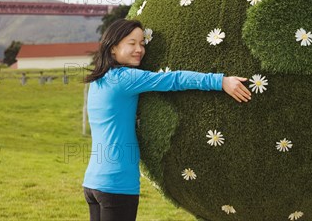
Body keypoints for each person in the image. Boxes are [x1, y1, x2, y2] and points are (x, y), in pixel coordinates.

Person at [82, 19, 251, 221]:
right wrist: (221, 81)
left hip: (93, 182)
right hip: (116, 183)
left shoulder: (98, 80)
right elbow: (174, 80)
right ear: (112, 48)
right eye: (132, 43)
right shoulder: (126, 78)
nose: (139, 49)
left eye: (142, 44)